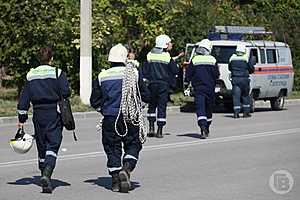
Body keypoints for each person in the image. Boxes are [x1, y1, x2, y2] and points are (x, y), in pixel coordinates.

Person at [90, 44, 150, 193]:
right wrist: (138, 107)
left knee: (112, 148)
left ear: (109, 59)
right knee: (133, 144)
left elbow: (94, 101)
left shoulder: (102, 76)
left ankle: (116, 181)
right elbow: (145, 95)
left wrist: (104, 111)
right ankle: (127, 168)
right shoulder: (134, 74)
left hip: (110, 118)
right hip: (131, 117)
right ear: (125, 58)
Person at [17, 47, 71, 193]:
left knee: (41, 145)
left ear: (39, 58)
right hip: (53, 113)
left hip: (38, 114)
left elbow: (24, 100)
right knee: (53, 144)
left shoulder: (31, 75)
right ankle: (47, 173)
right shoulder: (57, 73)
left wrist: (22, 118)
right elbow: (66, 92)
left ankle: (43, 175)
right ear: (51, 58)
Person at [140, 34, 179, 138]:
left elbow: (144, 71)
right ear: (165, 45)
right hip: (163, 85)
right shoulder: (166, 56)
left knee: (152, 106)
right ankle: (160, 131)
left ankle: (151, 128)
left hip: (151, 84)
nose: (171, 44)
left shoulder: (149, 55)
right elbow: (175, 70)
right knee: (161, 107)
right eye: (169, 43)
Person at [184, 39, 219, 139]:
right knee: (209, 108)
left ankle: (202, 127)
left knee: (200, 108)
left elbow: (188, 74)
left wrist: (186, 83)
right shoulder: (213, 60)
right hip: (210, 88)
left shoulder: (194, 60)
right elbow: (216, 74)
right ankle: (206, 127)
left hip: (198, 88)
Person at [228, 43, 255, 118]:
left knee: (236, 96)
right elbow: (251, 68)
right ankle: (246, 113)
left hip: (235, 79)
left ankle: (236, 113)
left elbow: (229, 68)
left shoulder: (232, 58)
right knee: (245, 96)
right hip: (244, 80)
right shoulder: (246, 58)